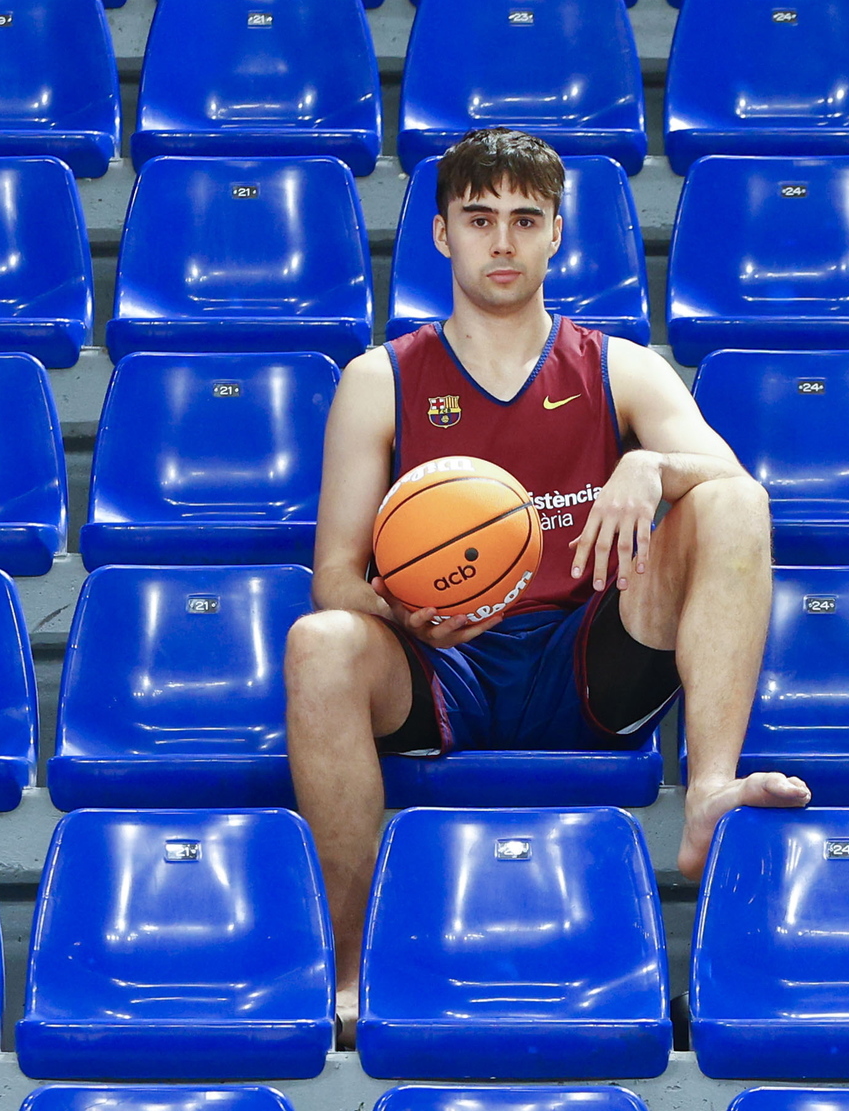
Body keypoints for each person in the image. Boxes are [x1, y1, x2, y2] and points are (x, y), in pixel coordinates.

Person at [285, 127, 810, 1010]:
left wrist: (651, 467)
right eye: (479, 217)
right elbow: (334, 573)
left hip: (587, 659)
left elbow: (730, 481)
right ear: (442, 232)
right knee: (319, 642)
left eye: (525, 219)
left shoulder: (620, 368)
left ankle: (710, 786)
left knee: (729, 502)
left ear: (557, 233)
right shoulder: (380, 381)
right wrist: (399, 613)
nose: (502, 241)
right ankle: (347, 971)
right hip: (440, 659)